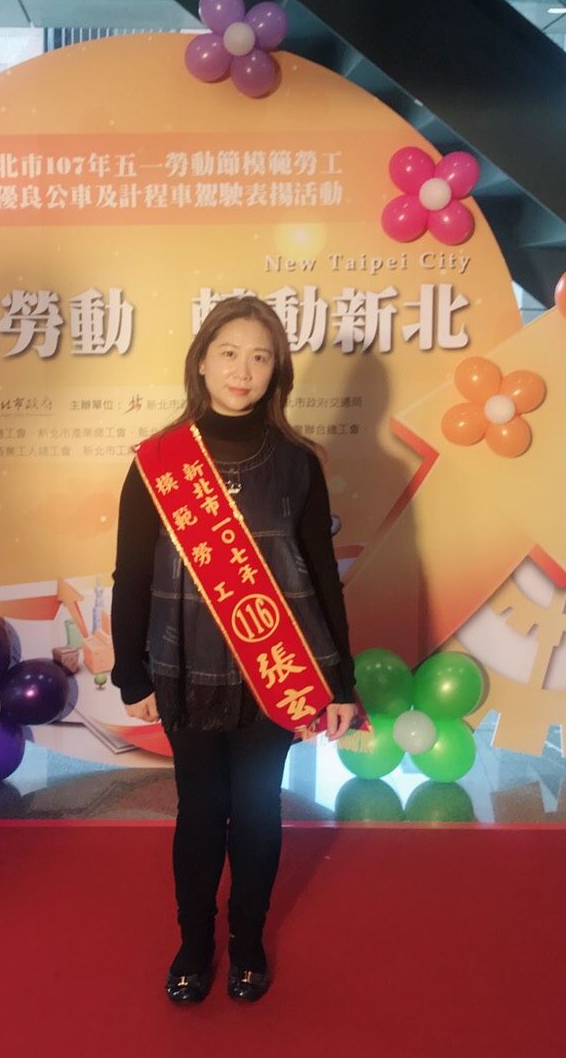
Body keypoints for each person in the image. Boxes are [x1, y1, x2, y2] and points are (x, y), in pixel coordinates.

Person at [110, 295, 360, 1005]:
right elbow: (131, 572)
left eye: (259, 356)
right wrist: (131, 674)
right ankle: (194, 943)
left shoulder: (298, 464)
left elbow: (322, 576)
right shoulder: (160, 463)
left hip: (274, 669)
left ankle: (247, 940)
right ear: (201, 362)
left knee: (256, 810)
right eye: (228, 353)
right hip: (184, 666)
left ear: (277, 370)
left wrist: (339, 683)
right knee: (198, 810)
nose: (242, 370)